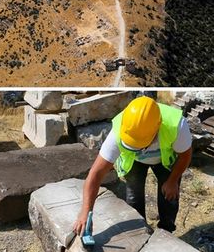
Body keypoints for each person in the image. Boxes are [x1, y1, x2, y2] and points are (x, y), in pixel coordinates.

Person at [72, 96, 193, 236]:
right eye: (131, 145)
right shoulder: (118, 132)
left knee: (169, 197)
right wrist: (85, 212)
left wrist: (172, 181)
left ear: (156, 130)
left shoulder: (176, 125)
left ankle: (166, 233)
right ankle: (140, 233)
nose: (136, 148)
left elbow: (185, 156)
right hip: (134, 162)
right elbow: (96, 174)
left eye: (139, 145)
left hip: (165, 161)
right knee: (134, 197)